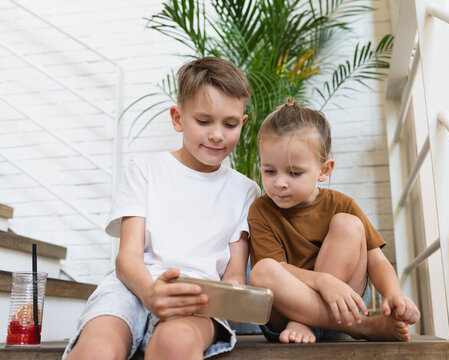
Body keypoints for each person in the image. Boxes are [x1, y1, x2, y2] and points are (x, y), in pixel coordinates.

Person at [64, 57, 260, 360]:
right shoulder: (144, 169)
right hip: (130, 289)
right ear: (177, 118)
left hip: (197, 300)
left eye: (230, 124)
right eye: (204, 121)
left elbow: (234, 274)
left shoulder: (246, 191)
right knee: (98, 349)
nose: (217, 134)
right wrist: (149, 293)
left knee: (176, 344)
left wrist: (229, 298)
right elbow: (127, 258)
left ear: (242, 123)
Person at [248, 98, 420, 344]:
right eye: (269, 171)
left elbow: (376, 261)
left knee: (348, 224)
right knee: (262, 270)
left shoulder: (342, 204)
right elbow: (277, 270)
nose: (280, 182)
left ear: (324, 170)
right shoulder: (261, 210)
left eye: (294, 172)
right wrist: (323, 281)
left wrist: (394, 295)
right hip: (285, 319)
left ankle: (306, 321)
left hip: (343, 307)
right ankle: (364, 327)